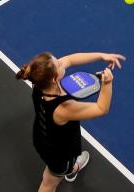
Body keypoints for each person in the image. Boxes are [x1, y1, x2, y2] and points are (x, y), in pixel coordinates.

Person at [16, 51, 125, 191]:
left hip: (41, 138)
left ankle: (71, 169)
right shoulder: (63, 108)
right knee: (49, 182)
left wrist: (101, 56)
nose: (62, 63)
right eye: (59, 65)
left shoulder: (38, 83)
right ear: (55, 78)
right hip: (61, 155)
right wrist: (107, 83)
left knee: (52, 173)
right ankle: (71, 169)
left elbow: (70, 59)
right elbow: (101, 108)